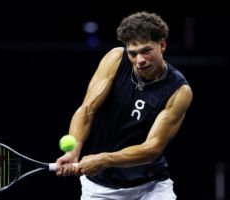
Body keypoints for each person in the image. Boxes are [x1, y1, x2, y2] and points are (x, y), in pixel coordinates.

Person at [56, 11, 193, 200]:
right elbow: (87, 110)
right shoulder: (115, 59)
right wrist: (73, 151)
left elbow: (152, 148)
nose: (139, 60)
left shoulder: (179, 91)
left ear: (162, 45)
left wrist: (103, 159)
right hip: (100, 188)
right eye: (133, 53)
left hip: (151, 187)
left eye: (146, 51)